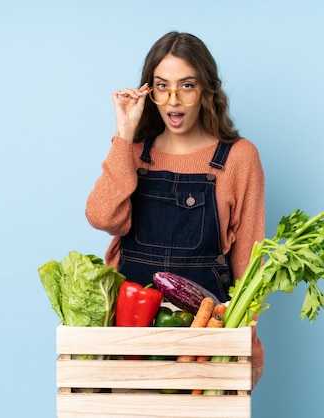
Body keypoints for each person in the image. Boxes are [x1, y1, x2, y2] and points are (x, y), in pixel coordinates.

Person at [85, 31, 264, 387]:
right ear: (147, 91)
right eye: (162, 86)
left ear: (207, 90)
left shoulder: (239, 158)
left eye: (187, 86)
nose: (173, 100)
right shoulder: (133, 152)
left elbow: (249, 264)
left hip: (204, 344)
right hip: (129, 340)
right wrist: (124, 133)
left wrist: (248, 349)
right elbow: (103, 217)